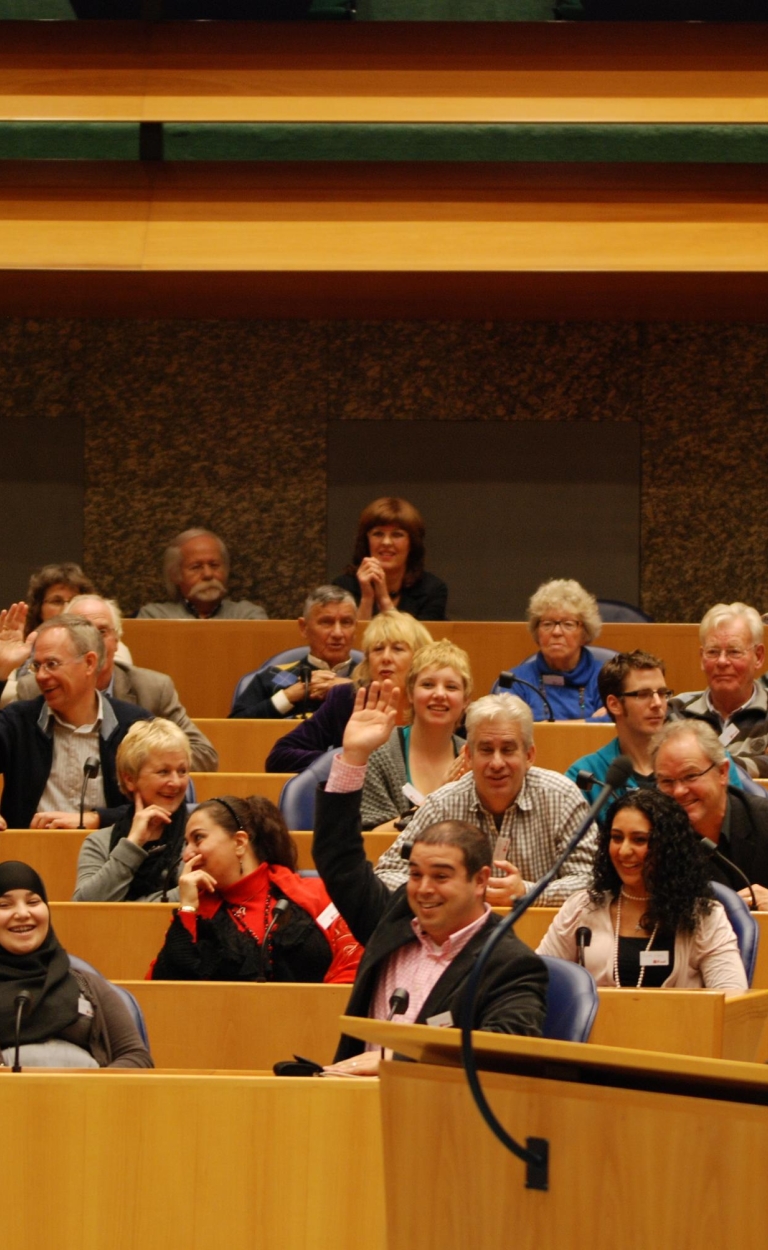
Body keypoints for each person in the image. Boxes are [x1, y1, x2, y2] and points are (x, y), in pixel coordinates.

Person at [312, 682, 548, 1074]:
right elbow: (338, 860)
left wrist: (393, 1060)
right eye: (416, 874)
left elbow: (505, 1052)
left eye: (441, 876)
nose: (423, 889)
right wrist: (353, 756)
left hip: (438, 1116)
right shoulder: (394, 922)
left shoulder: (510, 963)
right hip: (350, 1102)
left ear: (480, 881)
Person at [374, 693, 599, 906]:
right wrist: (448, 891)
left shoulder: (561, 798)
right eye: (486, 750)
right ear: (469, 756)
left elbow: (591, 881)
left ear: (529, 756)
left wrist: (527, 892)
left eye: (508, 750)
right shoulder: (443, 804)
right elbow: (386, 875)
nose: (497, 763)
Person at [537, 788, 748, 991]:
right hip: (600, 1027)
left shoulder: (704, 916)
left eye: (640, 840)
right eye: (617, 838)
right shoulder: (582, 908)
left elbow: (731, 1001)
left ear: (668, 847)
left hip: (679, 1027)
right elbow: (538, 982)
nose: (624, 851)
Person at [150, 795, 363, 983]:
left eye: (198, 838)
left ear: (240, 842)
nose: (187, 854)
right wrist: (187, 908)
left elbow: (354, 965)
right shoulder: (196, 911)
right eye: (186, 844)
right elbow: (166, 989)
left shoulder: (314, 895)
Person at [10, 594, 217, 773]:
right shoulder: (35, 688)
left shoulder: (152, 689)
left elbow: (204, 755)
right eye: (82, 633)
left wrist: (133, 763)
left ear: (117, 641)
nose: (94, 642)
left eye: (101, 632)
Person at [0, 614, 149, 832]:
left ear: (89, 663)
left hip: (113, 858)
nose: (41, 676)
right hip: (27, 857)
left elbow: (159, 805)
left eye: (52, 664)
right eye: (37, 666)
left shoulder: (134, 726)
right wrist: (1, 671)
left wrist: (97, 819)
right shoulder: (18, 722)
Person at [0, 860, 153, 1068]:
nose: (23, 913)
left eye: (33, 902)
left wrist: (89, 1089)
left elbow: (137, 1057)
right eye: (4, 905)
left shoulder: (86, 984)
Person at [265, 611, 433, 774]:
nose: (386, 658)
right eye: (378, 649)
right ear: (368, 661)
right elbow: (279, 757)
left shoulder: (435, 701)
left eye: (398, 649)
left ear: (419, 659)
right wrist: (349, 759)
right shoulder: (345, 699)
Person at [652, 720, 768, 910]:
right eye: (666, 781)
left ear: (722, 772)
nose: (679, 791)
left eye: (690, 776)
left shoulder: (763, 820)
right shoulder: (652, 834)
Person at [74, 719, 190, 902]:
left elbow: (199, 895)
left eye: (182, 771)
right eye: (163, 772)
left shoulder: (199, 835)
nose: (176, 782)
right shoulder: (99, 843)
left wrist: (125, 907)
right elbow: (85, 907)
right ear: (130, 779)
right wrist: (133, 844)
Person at [360, 639, 471, 831]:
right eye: (428, 685)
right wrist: (435, 800)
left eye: (451, 687)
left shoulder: (473, 758)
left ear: (465, 700)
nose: (439, 694)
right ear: (410, 694)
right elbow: (373, 838)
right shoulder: (380, 754)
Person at [670, 602, 768, 778]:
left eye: (734, 652)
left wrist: (697, 763)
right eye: (713, 652)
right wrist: (755, 765)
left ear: (758, 657)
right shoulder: (676, 711)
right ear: (702, 658)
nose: (722, 662)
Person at [230, 586, 357, 720]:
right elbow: (234, 727)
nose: (337, 633)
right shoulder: (271, 677)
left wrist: (348, 687)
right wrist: (290, 696)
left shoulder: (372, 677)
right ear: (304, 628)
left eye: (346, 623)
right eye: (326, 622)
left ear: (356, 628)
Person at [566, 650, 672, 807]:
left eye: (662, 693)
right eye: (643, 694)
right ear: (614, 704)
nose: (657, 703)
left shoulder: (689, 761)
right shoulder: (586, 774)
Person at [493, 577, 609, 720]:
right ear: (537, 632)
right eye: (547, 624)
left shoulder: (605, 679)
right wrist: (590, 722)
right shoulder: (517, 681)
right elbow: (508, 730)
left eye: (568, 624)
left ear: (585, 632)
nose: (556, 632)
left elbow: (617, 725)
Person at [333, 497, 448, 621]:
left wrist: (383, 598)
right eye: (378, 534)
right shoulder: (343, 588)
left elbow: (416, 640)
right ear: (367, 541)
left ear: (412, 543)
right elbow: (351, 639)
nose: (386, 542)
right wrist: (367, 598)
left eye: (397, 534)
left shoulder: (432, 590)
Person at [137, 528, 267, 620]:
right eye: (196, 567)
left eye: (214, 565)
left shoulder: (248, 616)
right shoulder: (154, 617)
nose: (208, 574)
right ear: (176, 575)